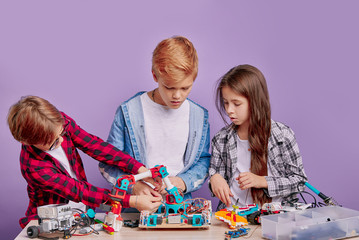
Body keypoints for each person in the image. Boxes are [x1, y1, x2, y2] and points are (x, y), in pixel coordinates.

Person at [7, 96, 162, 228]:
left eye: (62, 133)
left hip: (81, 215)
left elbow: (95, 146)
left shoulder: (57, 121)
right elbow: (79, 190)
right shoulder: (33, 166)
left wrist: (140, 169)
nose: (62, 140)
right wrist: (132, 201)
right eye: (53, 143)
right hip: (48, 222)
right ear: (27, 142)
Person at [99, 36, 211, 202]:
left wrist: (182, 182)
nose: (177, 95)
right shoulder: (129, 111)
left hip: (181, 208)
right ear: (154, 75)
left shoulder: (199, 116)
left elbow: (203, 161)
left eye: (185, 88)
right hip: (137, 210)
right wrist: (134, 186)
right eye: (169, 87)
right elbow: (107, 162)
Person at [209, 64, 307, 210]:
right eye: (226, 103)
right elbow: (217, 177)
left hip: (276, 218)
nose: (229, 110)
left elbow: (299, 181)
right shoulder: (221, 139)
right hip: (233, 217)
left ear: (255, 101)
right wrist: (214, 180)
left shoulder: (282, 135)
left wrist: (262, 181)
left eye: (236, 104)